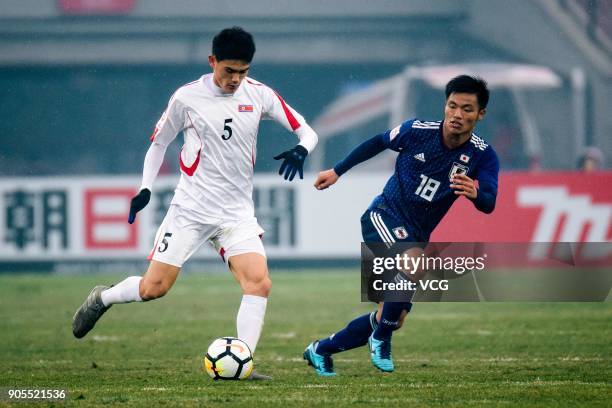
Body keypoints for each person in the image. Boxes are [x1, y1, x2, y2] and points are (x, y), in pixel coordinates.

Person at [72, 27, 318, 380]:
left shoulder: (259, 94)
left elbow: (307, 130)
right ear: (212, 61)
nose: (235, 79)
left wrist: (302, 148)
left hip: (236, 214)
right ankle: (104, 297)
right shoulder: (186, 98)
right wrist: (146, 188)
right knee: (153, 288)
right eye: (229, 71)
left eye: (243, 72)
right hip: (191, 210)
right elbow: (159, 144)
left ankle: (242, 365)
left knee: (259, 284)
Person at [304, 75, 499, 376]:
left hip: (416, 234)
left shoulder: (483, 155)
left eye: (467, 109)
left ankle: (320, 349)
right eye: (452, 106)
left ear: (480, 114)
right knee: (414, 265)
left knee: (391, 315)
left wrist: (476, 194)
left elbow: (489, 202)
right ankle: (381, 341)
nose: (457, 115)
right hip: (383, 215)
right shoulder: (416, 131)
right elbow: (377, 143)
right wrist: (338, 170)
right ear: (445, 106)